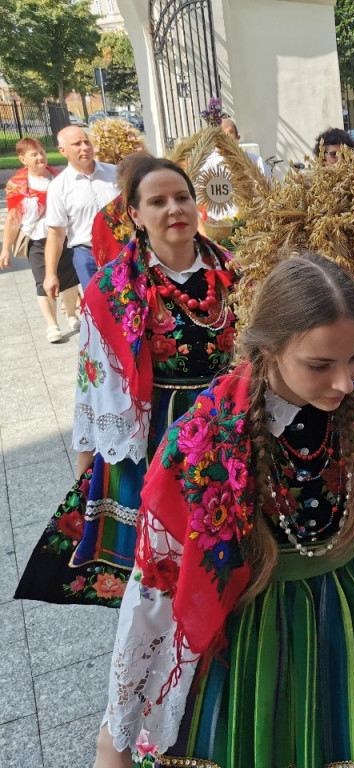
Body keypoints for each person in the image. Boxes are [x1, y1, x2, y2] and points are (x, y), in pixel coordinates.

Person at [92, 253, 354, 768]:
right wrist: (117, 730)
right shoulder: (206, 442)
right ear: (267, 349)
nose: (345, 382)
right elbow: (159, 583)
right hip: (259, 630)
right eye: (320, 364)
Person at [14, 154, 238, 607]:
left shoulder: (233, 273)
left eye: (182, 198)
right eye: (157, 201)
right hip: (159, 436)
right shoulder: (113, 289)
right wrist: (86, 476)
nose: (174, 209)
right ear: (134, 214)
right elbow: (93, 386)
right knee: (166, 577)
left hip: (231, 426)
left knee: (233, 558)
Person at [1, 137, 81, 343]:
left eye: (42, 152)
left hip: (64, 237)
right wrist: (5, 249)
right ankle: (52, 325)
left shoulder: (60, 178)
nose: (40, 157)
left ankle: (71, 314)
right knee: (42, 282)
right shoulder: (17, 185)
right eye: (34, 154)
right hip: (37, 240)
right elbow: (13, 218)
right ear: (22, 159)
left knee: (70, 280)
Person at [43, 126, 119, 295]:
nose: (84, 147)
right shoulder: (59, 187)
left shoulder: (116, 173)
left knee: (132, 307)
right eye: (77, 144)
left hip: (122, 250)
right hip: (88, 257)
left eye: (87, 142)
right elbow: (56, 233)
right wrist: (50, 274)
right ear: (63, 151)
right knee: (100, 308)